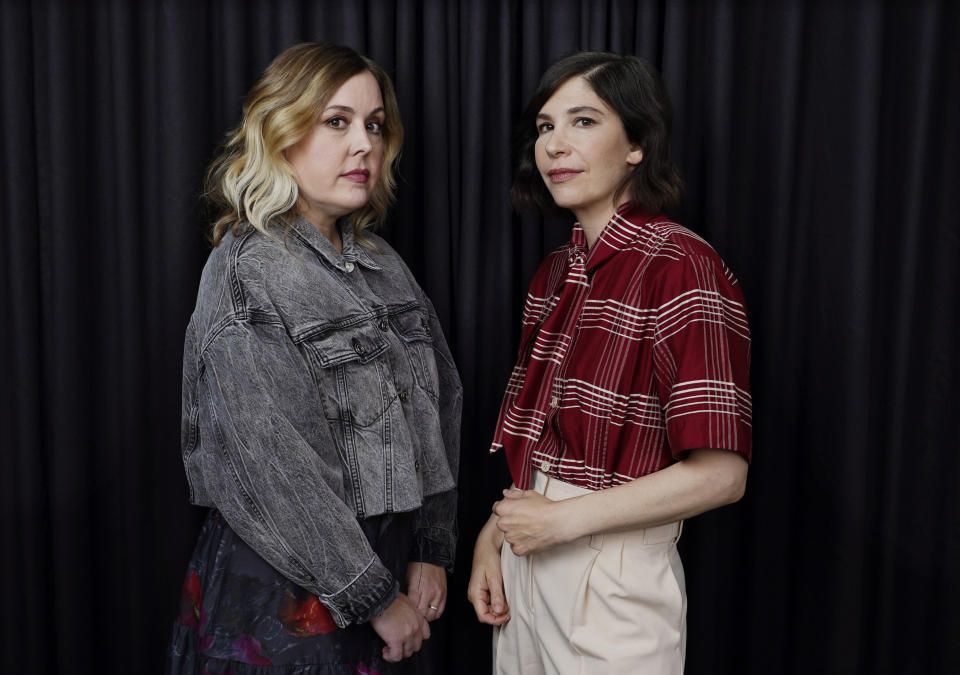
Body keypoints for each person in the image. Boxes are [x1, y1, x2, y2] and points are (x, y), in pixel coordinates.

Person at [166, 42, 461, 674]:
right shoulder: (247, 270)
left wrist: (431, 548)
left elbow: (440, 408)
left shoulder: (384, 265)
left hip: (388, 584)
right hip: (284, 595)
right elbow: (270, 466)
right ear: (279, 134)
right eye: (337, 121)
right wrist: (375, 596)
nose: (364, 144)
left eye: (375, 125)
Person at [467, 51, 752, 674]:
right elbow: (546, 442)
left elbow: (722, 475)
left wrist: (561, 521)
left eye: (584, 121)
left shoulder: (681, 265)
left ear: (636, 145)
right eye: (545, 127)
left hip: (611, 573)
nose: (555, 145)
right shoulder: (555, 274)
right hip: (529, 553)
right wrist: (497, 533)